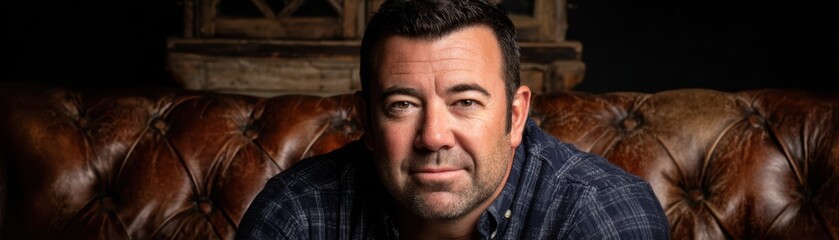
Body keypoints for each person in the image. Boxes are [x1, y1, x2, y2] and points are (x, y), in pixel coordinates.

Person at [236, 0, 670, 239]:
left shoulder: (601, 217)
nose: (433, 137)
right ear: (366, 121)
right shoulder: (297, 212)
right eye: (402, 105)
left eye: (464, 101)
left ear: (515, 116)